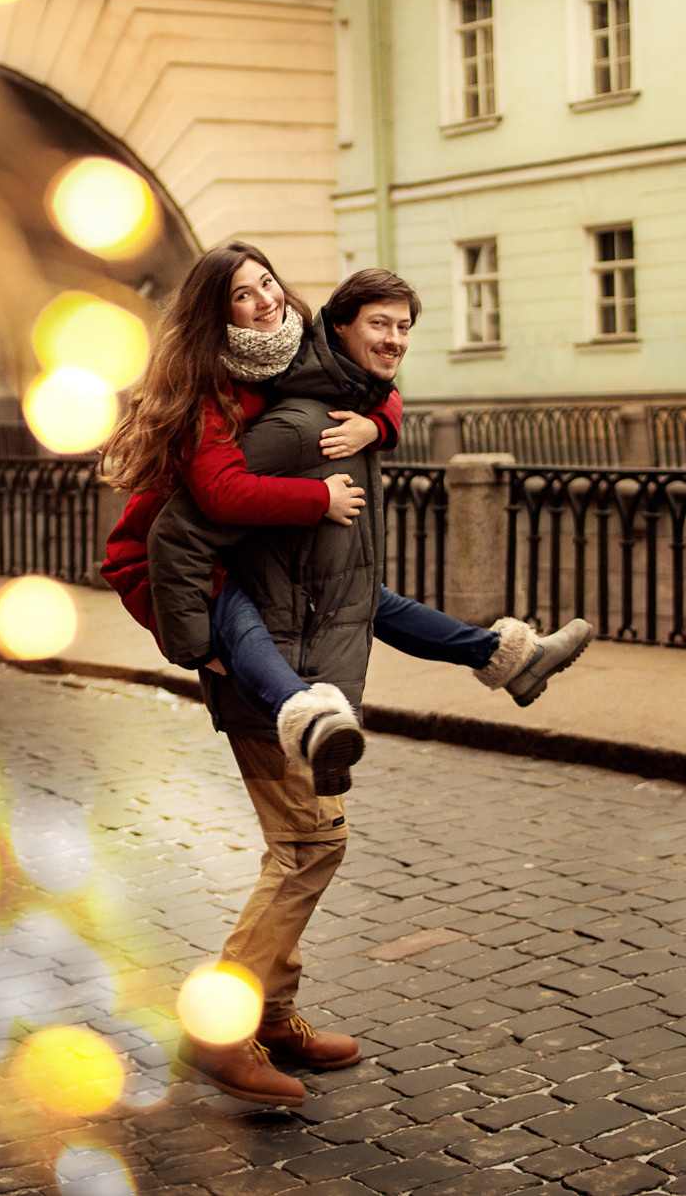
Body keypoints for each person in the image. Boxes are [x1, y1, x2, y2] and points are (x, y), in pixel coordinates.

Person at [140, 268, 590, 1107]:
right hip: (268, 676)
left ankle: (271, 1013)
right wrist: (203, 650)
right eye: (381, 325)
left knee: (315, 839)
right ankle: (219, 1023)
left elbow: (354, 592)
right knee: (309, 847)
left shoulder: (349, 419)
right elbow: (179, 534)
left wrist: (379, 421)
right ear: (338, 328)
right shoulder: (301, 428)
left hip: (312, 658)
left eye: (406, 329)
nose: (395, 342)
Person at [100, 247, 592, 791]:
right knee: (241, 620)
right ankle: (308, 717)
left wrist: (376, 426)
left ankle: (502, 657)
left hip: (233, 540)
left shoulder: (286, 347)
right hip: (170, 560)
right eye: (244, 294)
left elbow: (364, 376)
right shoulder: (210, 387)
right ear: (217, 315)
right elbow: (213, 500)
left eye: (268, 282)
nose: (266, 300)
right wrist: (318, 498)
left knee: (360, 594)